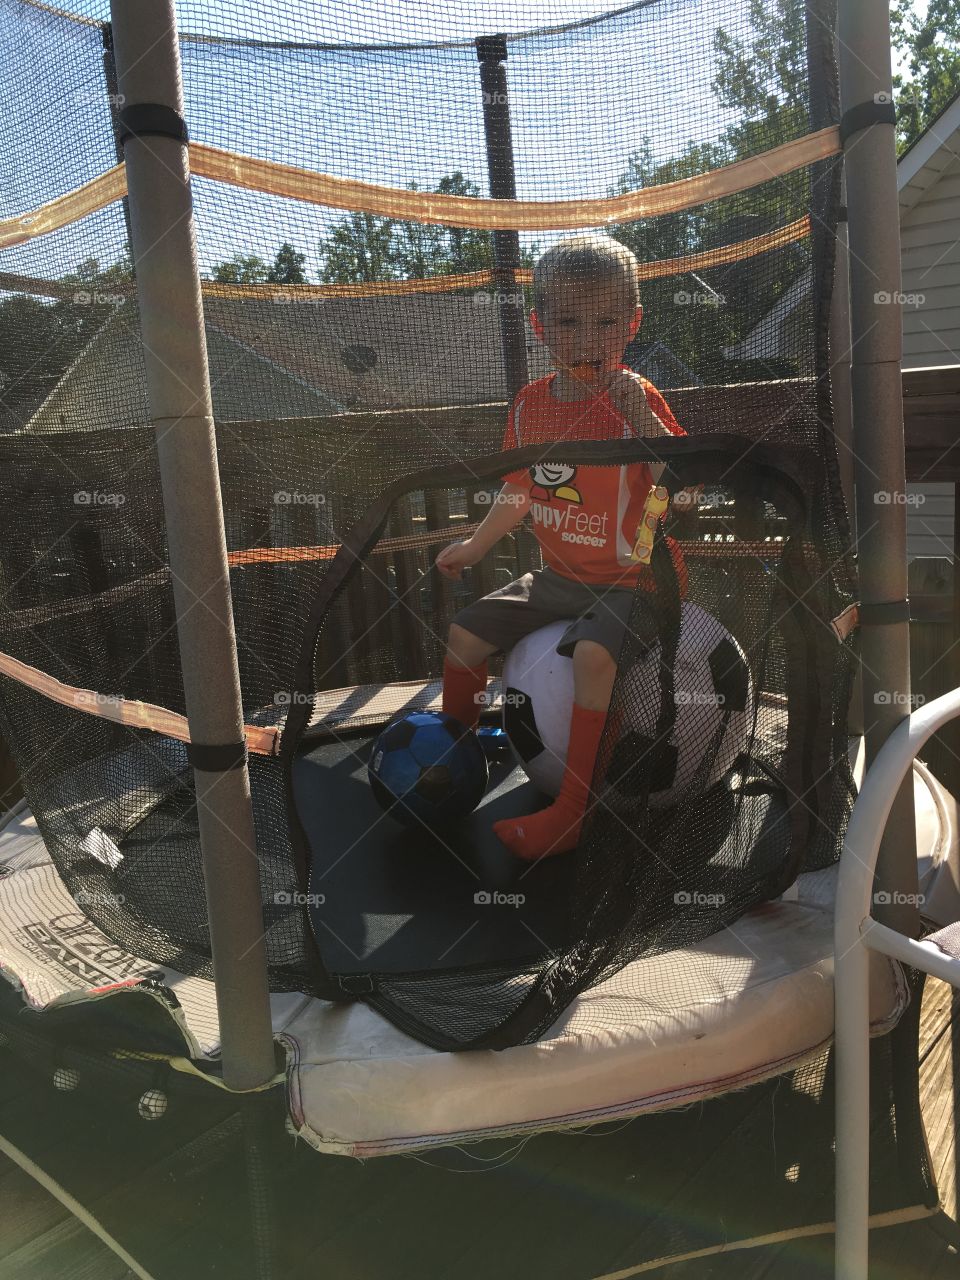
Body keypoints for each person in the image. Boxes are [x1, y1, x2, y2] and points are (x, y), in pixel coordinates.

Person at [435, 233, 692, 861]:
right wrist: (473, 546)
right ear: (539, 324)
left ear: (631, 324)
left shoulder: (637, 400)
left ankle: (572, 811)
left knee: (593, 658)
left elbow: (678, 497)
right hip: (558, 577)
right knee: (466, 632)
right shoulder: (530, 405)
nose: (587, 339)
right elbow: (519, 492)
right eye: (568, 321)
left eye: (606, 321)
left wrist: (646, 425)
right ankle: (453, 763)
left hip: (636, 580)